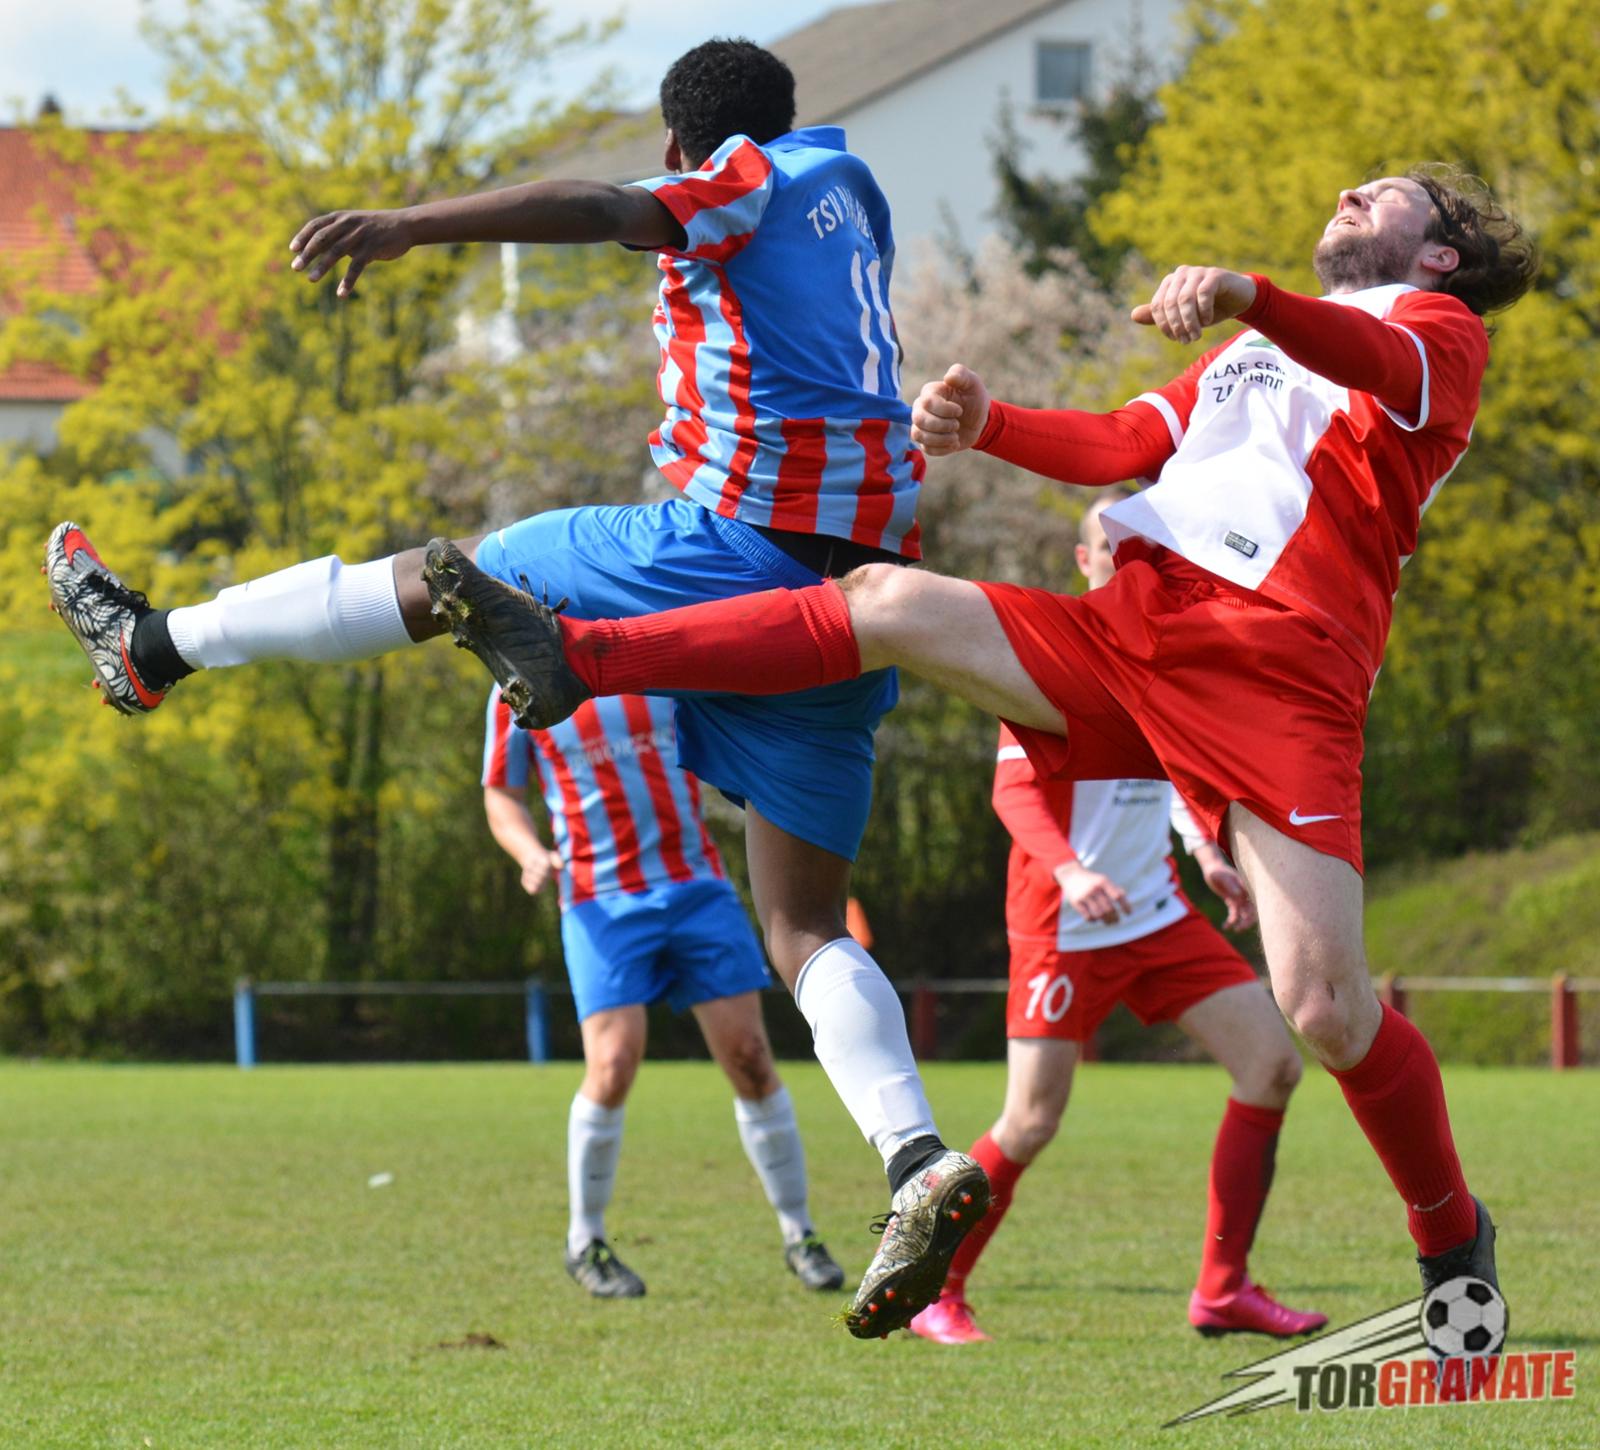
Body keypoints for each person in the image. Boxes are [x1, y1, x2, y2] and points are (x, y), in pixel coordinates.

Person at [409, 167, 1538, 1318]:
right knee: (886, 598)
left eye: (1387, 193)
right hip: (1135, 629)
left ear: (1440, 253)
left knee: (1325, 1009)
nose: (1348, 188)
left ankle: (1449, 1229)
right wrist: (990, 425)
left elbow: (1374, 360)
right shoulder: (1248, 350)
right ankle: (580, 655)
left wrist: (1248, 291)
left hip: (1276, 676)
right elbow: (1122, 439)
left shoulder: (1438, 330)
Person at [45, 37, 985, 1338]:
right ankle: (914, 1156)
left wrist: (412, 225)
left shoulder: (741, 177)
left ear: (682, 144)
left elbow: (609, 208)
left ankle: (154, 648)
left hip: (729, 550)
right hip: (860, 596)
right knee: (806, 926)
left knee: (458, 572)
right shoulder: (851, 188)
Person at [909, 494, 1324, 1345]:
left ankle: (1223, 1290)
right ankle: (930, 1287)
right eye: (1111, 546)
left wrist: (1207, 853)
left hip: (1156, 913)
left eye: (1145, 547)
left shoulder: (1171, 655)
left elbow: (1172, 777)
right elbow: (1014, 793)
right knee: (1030, 1121)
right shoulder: (1048, 653)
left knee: (1273, 1065)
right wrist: (1071, 871)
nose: (1129, 560)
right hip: (1062, 923)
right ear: (1083, 559)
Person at [482, 683, 843, 1297]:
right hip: (599, 899)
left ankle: (800, 1234)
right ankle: (585, 1242)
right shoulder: (514, 679)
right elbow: (501, 792)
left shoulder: (657, 646)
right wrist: (528, 852)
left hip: (695, 886)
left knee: (751, 1059)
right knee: (612, 1063)